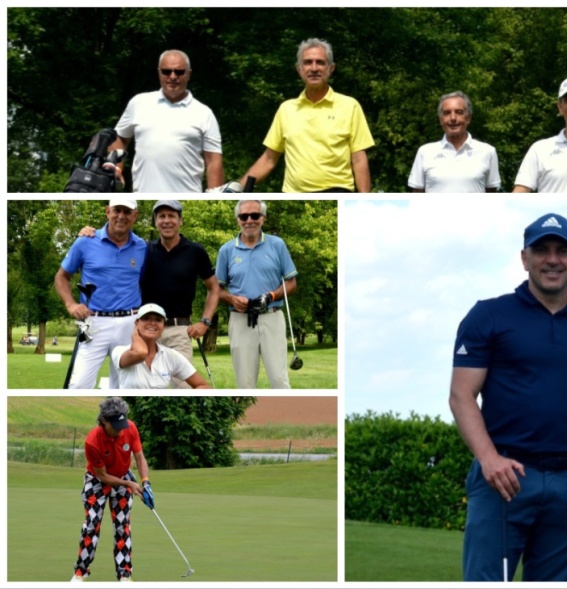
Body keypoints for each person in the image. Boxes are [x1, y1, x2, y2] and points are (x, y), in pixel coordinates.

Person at [449, 212, 567, 581]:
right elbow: (461, 396)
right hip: (504, 476)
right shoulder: (489, 315)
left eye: (562, 250)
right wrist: (488, 459)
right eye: (541, 249)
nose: (552, 259)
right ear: (524, 258)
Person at [79, 200, 220, 388]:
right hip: (145, 329)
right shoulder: (144, 249)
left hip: (179, 330)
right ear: (155, 222)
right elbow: (116, 241)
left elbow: (214, 288)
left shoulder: (195, 251)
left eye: (172, 216)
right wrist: (91, 234)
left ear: (181, 221)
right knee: (137, 387)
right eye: (161, 216)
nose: (166, 221)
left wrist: (205, 322)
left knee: (184, 390)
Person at [240, 38, 375, 192]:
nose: (314, 68)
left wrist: (365, 200)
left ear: (331, 68)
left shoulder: (350, 106)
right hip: (293, 195)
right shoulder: (286, 109)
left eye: (320, 62)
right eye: (308, 62)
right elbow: (269, 159)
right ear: (299, 69)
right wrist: (236, 188)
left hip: (336, 193)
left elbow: (358, 160)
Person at [55, 199, 147, 389]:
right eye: (117, 210)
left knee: (125, 385)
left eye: (127, 212)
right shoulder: (85, 242)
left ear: (135, 216)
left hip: (130, 323)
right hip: (94, 322)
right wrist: (71, 305)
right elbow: (62, 277)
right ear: (107, 211)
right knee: (79, 384)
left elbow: (145, 282)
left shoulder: (142, 247)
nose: (121, 216)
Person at [110, 49, 224, 192]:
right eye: (166, 71)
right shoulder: (139, 103)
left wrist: (215, 196)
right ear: (159, 72)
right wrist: (117, 168)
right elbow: (119, 137)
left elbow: (214, 161)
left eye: (179, 72)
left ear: (189, 74)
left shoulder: (204, 113)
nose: (172, 76)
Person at [216, 200, 298, 388]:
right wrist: (232, 299)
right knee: (244, 383)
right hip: (240, 319)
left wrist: (271, 296)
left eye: (255, 216)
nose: (249, 220)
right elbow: (216, 290)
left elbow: (291, 283)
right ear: (238, 220)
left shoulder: (277, 244)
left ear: (263, 219)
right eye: (244, 216)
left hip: (272, 316)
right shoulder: (226, 250)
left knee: (279, 380)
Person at [71, 397, 152, 582]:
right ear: (104, 421)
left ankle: (125, 575)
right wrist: (130, 484)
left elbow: (139, 457)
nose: (120, 429)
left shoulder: (129, 428)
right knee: (92, 524)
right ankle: (80, 572)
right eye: (115, 425)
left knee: (123, 527)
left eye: (122, 423)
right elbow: (103, 476)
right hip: (97, 480)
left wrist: (145, 482)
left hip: (123, 476)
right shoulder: (93, 441)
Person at [408, 91, 500, 192]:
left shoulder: (488, 152)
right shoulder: (425, 152)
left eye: (459, 112)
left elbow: (491, 195)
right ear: (441, 119)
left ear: (468, 118)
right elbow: (417, 196)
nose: (453, 118)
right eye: (447, 113)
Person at [111, 303, 211, 389]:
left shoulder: (171, 356)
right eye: (146, 318)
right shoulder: (119, 351)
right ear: (136, 323)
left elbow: (203, 386)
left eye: (158, 320)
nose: (153, 323)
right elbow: (140, 353)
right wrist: (135, 334)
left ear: (164, 326)